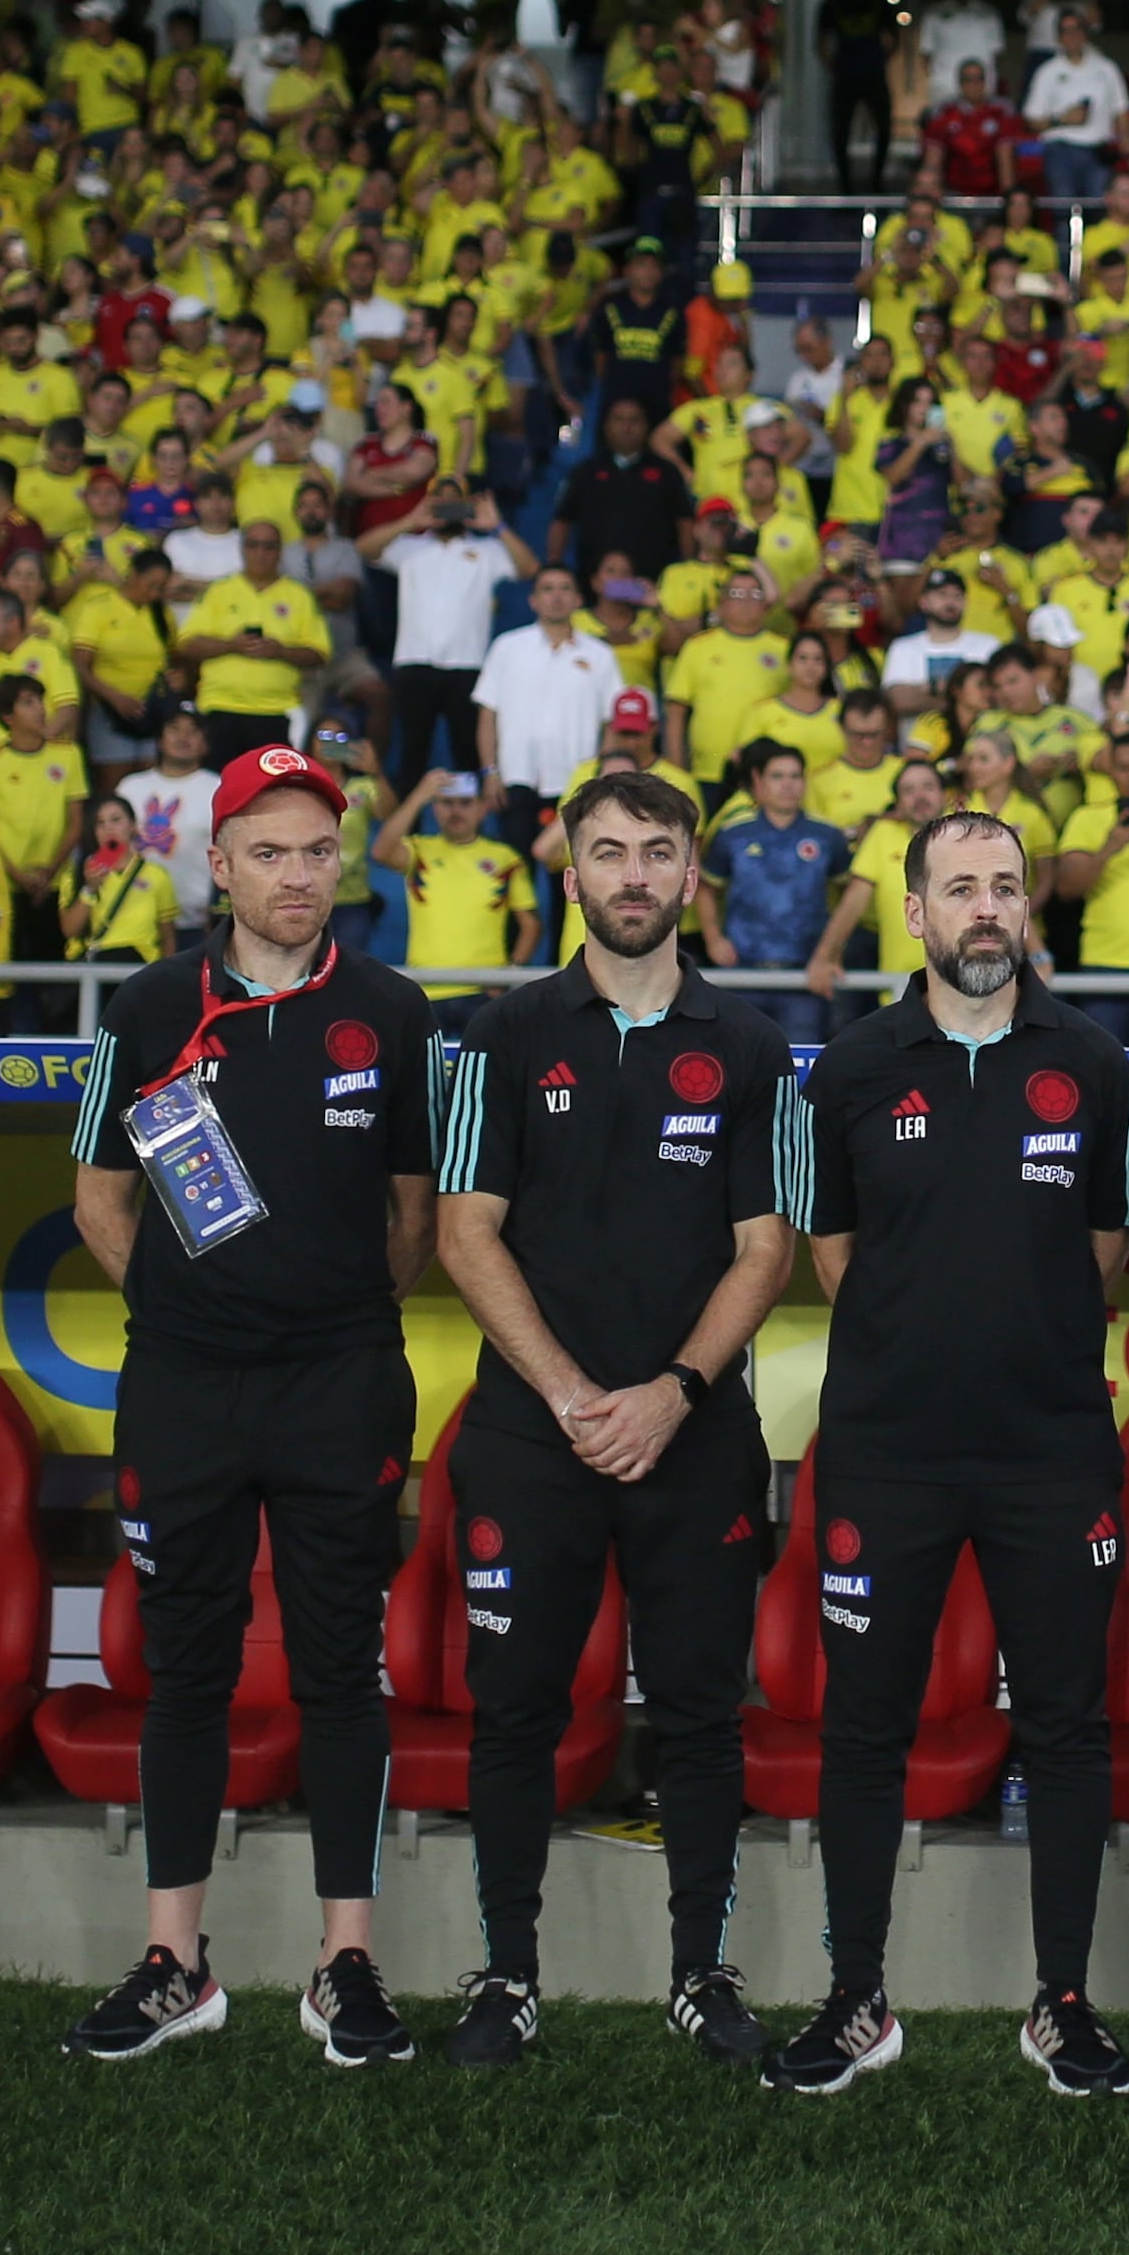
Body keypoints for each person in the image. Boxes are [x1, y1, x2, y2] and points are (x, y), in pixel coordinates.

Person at [55, 740, 442, 2068]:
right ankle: (177, 1958)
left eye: (316, 850)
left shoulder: (394, 1012)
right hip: (183, 1386)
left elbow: (413, 1221)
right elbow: (100, 1199)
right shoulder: (145, 1007)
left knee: (343, 1666)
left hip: (342, 1387)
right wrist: (191, 1306)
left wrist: (322, 1317)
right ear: (214, 865)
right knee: (190, 1668)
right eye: (267, 850)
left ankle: (348, 1963)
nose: (296, 873)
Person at [426, 769, 804, 2072]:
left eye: (656, 851)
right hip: (534, 1440)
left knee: (700, 1711)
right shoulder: (499, 1035)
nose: (633, 874)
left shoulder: (753, 1048)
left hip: (694, 1437)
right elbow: (461, 1232)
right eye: (608, 852)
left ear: (693, 871)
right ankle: (508, 1975)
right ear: (570, 870)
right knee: (515, 1704)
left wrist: (673, 1391)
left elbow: (767, 1248)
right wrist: (576, 1396)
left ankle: (703, 1972)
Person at [774, 810, 1129, 2095]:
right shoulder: (850, 1067)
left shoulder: (1096, 1065)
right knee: (864, 1725)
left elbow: (1103, 1244)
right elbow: (833, 1257)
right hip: (887, 1454)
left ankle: (1062, 1999)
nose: (984, 907)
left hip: (1052, 1452)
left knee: (1066, 1725)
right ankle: (856, 1995)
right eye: (959, 888)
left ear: (1026, 908)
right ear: (915, 910)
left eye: (1004, 886)